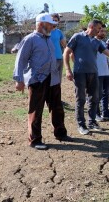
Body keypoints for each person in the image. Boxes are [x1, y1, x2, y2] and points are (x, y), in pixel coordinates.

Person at [63, 20, 109, 135]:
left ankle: (92, 122)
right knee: (80, 99)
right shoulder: (78, 37)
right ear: (91, 26)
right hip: (80, 73)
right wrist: (67, 70)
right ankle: (81, 124)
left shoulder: (97, 42)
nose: (100, 30)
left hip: (94, 74)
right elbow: (66, 52)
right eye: (98, 28)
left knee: (94, 98)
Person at [13, 13, 70, 150]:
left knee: (57, 107)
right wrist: (19, 80)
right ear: (41, 24)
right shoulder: (30, 39)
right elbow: (20, 60)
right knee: (36, 110)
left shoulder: (49, 39)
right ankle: (35, 139)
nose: (53, 27)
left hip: (53, 78)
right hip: (38, 80)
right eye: (50, 24)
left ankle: (60, 133)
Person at [95, 24, 109, 121]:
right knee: (97, 94)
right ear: (96, 30)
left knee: (106, 94)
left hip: (106, 73)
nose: (103, 33)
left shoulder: (103, 43)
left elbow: (106, 58)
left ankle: (105, 112)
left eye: (104, 31)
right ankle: (96, 113)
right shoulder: (92, 42)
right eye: (101, 31)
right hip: (97, 73)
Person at [50, 13, 67, 80]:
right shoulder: (45, 32)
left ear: (58, 21)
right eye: (52, 20)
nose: (54, 22)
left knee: (58, 80)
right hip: (49, 60)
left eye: (55, 20)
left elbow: (64, 45)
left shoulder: (59, 32)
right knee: (51, 80)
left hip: (59, 58)